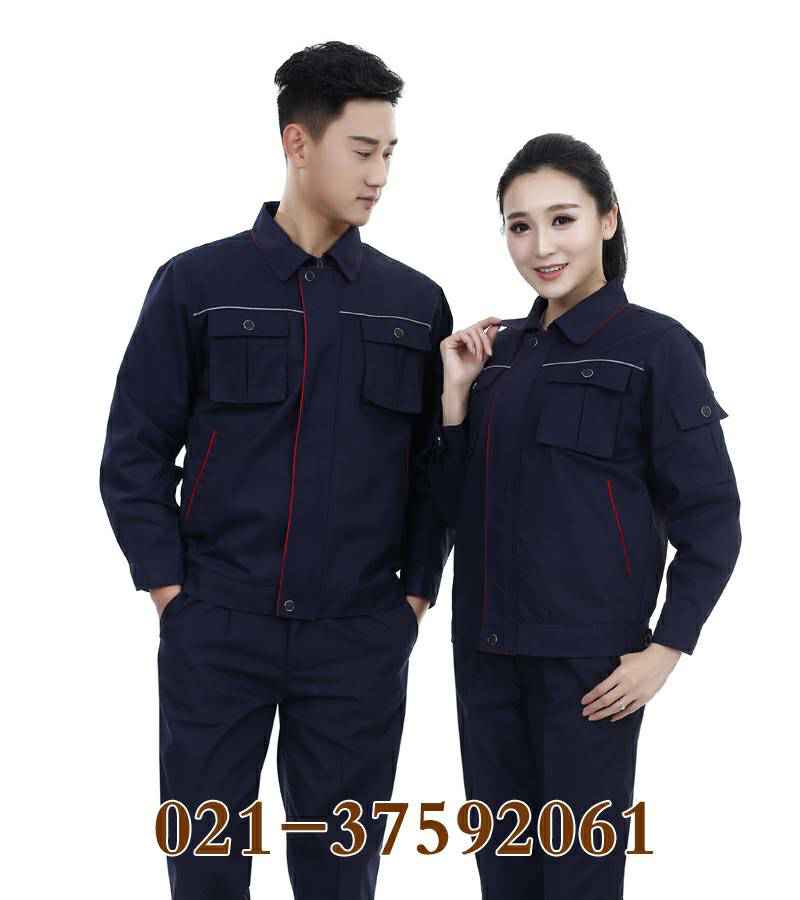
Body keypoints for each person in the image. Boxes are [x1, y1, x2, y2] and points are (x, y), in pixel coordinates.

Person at [99, 41, 454, 900]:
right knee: (205, 870)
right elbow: (133, 454)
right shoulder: (196, 285)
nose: (379, 175)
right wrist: (174, 597)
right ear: (298, 143)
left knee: (341, 878)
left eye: (390, 153)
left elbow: (435, 472)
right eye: (361, 152)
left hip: (357, 640)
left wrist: (411, 600)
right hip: (218, 629)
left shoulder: (414, 305)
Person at [421, 133, 741, 899]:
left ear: (607, 219)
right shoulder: (497, 354)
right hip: (486, 659)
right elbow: (452, 510)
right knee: (504, 877)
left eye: (561, 219)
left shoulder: (657, 348)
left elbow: (713, 518)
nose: (541, 247)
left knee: (579, 880)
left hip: (590, 673)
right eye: (519, 225)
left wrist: (666, 648)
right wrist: (456, 399)